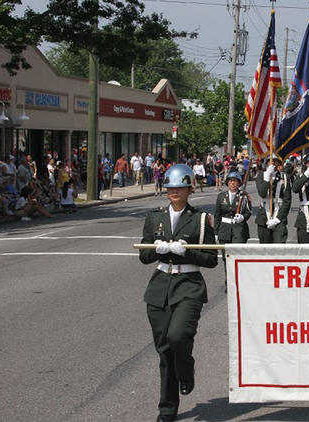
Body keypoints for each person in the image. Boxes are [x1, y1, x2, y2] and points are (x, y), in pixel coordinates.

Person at [138, 163, 218, 422]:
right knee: (164, 351)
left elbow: (211, 259)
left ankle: (187, 369)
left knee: (178, 335)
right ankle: (167, 409)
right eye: (171, 187)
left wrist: (189, 252)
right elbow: (144, 256)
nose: (174, 192)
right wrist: (157, 249)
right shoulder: (154, 218)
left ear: (189, 189)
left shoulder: (201, 220)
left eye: (180, 187)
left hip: (188, 285)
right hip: (160, 286)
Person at [214, 171, 251, 284]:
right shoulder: (221, 196)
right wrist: (216, 232)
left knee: (238, 255)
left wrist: (243, 217)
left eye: (235, 181)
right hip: (224, 230)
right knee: (226, 257)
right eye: (230, 181)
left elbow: (249, 211)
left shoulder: (244, 196)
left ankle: (239, 280)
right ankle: (229, 280)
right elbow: (217, 215)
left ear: (239, 183)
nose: (232, 183)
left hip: (238, 229)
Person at [255, 157, 292, 244]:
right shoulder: (261, 175)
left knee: (279, 247)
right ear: (267, 163)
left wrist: (277, 219)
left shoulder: (285, 177)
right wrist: (267, 175)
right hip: (264, 216)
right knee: (265, 249)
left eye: (275, 162)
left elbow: (287, 200)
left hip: (279, 216)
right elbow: (262, 193)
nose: (273, 164)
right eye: (271, 161)